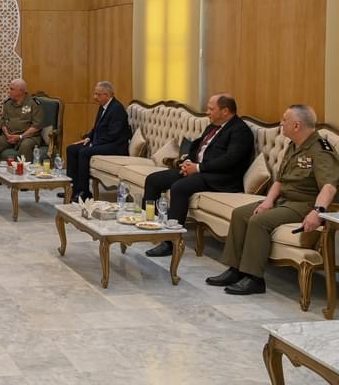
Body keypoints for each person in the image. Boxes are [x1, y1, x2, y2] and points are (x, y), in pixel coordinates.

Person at [206, 104, 339, 296]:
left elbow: (329, 186)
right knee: (240, 214)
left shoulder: (321, 150)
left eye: (284, 120)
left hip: (304, 204)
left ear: (296, 125)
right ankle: (235, 270)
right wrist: (267, 201)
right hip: (283, 200)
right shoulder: (294, 145)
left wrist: (317, 212)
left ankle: (254, 279)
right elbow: (280, 181)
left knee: (259, 221)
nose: (281, 123)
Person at [142, 94, 254, 257]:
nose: (207, 112)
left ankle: (170, 242)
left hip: (221, 178)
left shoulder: (240, 131)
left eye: (211, 109)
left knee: (179, 187)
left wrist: (198, 168)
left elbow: (230, 161)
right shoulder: (212, 126)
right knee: (153, 180)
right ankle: (148, 226)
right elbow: (198, 150)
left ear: (225, 111)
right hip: (199, 170)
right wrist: (187, 162)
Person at [65, 81, 131, 202]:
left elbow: (113, 134)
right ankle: (73, 189)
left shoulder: (117, 109)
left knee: (84, 152)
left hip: (115, 146)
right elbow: (96, 128)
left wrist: (93, 144)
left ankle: (84, 192)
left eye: (98, 94)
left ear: (107, 95)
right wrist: (89, 138)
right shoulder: (103, 106)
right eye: (95, 94)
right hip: (103, 142)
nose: (94, 97)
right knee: (71, 149)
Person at [0, 79, 44, 186]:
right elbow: (3, 122)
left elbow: (36, 126)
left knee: (25, 145)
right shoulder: (8, 103)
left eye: (11, 89)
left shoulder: (34, 104)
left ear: (21, 91)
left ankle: (25, 180)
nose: (8, 91)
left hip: (28, 137)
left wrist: (20, 136)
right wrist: (7, 134)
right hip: (10, 136)